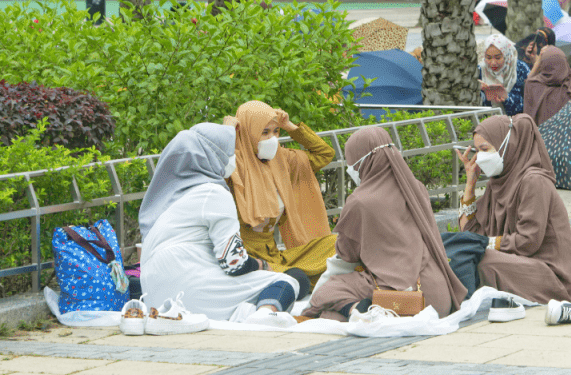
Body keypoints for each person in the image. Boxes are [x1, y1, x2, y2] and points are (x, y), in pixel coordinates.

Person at [140, 123, 307, 324]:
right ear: (214, 156)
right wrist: (263, 265)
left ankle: (246, 313)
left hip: (154, 298)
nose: (234, 158)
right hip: (192, 293)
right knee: (287, 280)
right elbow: (234, 263)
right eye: (231, 152)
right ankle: (264, 315)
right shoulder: (213, 192)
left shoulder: (167, 200)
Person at [303, 127, 466, 322]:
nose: (350, 169)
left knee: (327, 293)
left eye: (351, 162)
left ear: (363, 161)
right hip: (437, 294)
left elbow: (347, 256)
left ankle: (357, 308)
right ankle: (356, 310)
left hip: (403, 296)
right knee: (331, 314)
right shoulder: (416, 188)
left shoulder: (361, 201)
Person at [456, 115, 571, 303]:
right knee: (466, 256)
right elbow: (471, 233)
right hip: (516, 263)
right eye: (477, 151)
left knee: (481, 261)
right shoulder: (498, 183)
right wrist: (470, 185)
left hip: (550, 276)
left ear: (508, 145)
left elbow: (527, 242)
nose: (480, 158)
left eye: (485, 149)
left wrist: (484, 244)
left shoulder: (534, 181)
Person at [227, 101, 337, 281]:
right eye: (264, 132)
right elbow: (213, 169)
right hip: (248, 259)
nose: (272, 138)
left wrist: (290, 127)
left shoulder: (282, 160)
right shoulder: (233, 164)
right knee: (300, 279)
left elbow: (324, 154)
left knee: (340, 245)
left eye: (276, 131)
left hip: (276, 256)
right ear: (247, 132)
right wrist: (228, 134)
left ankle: (294, 277)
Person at [523, 46, 571, 125]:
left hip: (538, 134)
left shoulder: (533, 85)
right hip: (564, 134)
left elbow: (528, 81)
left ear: (544, 65)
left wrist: (538, 62)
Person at [479, 34, 530, 116]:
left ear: (506, 54)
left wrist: (507, 98)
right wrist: (477, 87)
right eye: (488, 58)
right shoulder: (480, 70)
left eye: (498, 58)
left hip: (515, 123)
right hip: (487, 123)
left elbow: (529, 103)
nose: (493, 63)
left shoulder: (520, 69)